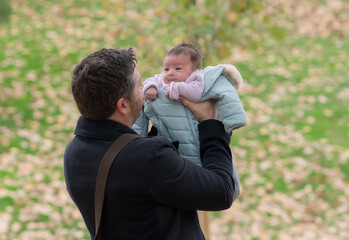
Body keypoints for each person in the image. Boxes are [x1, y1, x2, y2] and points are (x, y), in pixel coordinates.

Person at [64, 47, 240, 239]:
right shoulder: (149, 157)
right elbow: (221, 191)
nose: (144, 89)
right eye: (140, 86)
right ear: (123, 105)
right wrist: (210, 124)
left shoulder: (74, 152)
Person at [133, 43, 247, 166]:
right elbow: (150, 81)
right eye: (166, 69)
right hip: (169, 139)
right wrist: (151, 87)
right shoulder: (162, 79)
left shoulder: (200, 80)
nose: (170, 73)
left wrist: (233, 120)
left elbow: (197, 93)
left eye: (178, 69)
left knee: (199, 165)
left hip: (197, 137)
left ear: (194, 71)